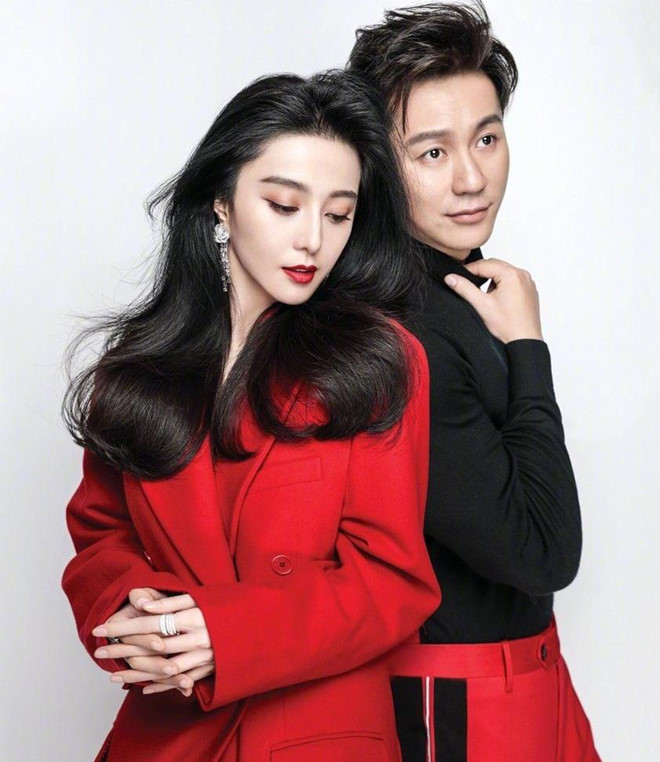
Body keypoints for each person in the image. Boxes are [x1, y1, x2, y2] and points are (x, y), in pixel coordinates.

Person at [61, 70, 440, 762]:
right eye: (283, 205)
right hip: (169, 735)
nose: (312, 240)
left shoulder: (380, 361)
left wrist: (228, 634)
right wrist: (136, 613)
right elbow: (100, 532)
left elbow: (394, 579)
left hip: (316, 738)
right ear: (222, 203)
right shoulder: (140, 365)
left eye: (338, 214)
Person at [348, 3, 600, 761]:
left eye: (486, 138)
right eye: (432, 152)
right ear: (377, 165)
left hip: (528, 674)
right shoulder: (405, 330)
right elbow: (543, 551)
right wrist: (528, 347)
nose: (471, 178)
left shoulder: (456, 291)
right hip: (459, 702)